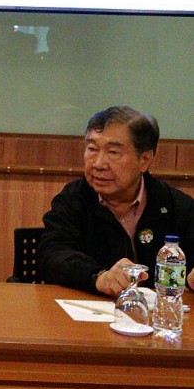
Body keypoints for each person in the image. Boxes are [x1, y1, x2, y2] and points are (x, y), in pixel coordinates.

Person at [38, 106, 194, 297]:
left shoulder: (176, 206)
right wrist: (99, 277)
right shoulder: (73, 199)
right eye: (92, 149)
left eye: (113, 152)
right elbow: (52, 256)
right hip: (89, 315)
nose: (98, 164)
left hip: (159, 319)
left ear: (144, 159)